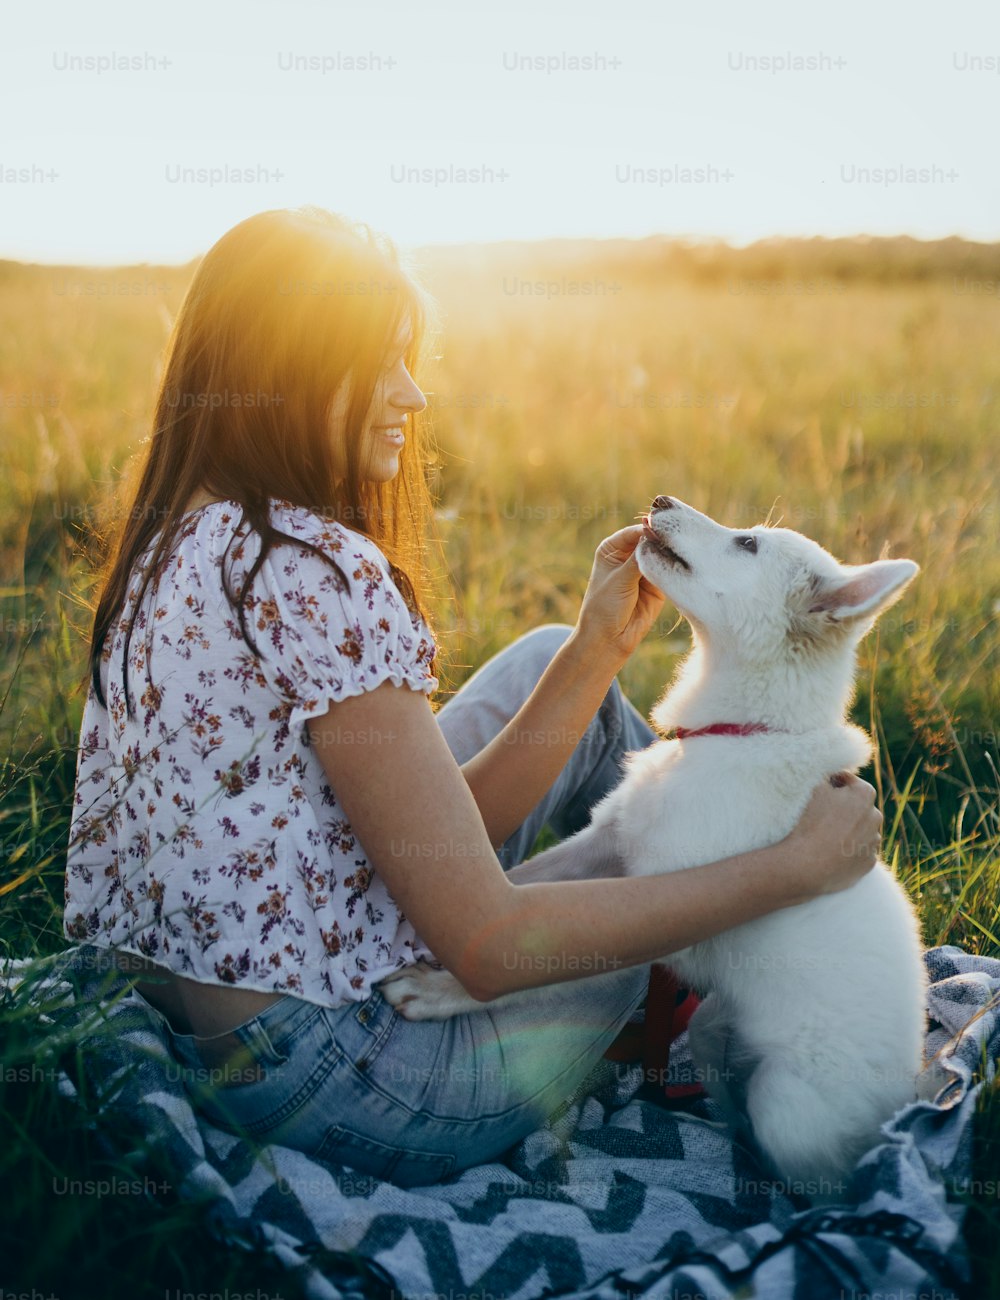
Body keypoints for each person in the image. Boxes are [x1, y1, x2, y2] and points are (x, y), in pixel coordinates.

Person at [63, 206, 882, 1188]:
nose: (411, 393)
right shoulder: (313, 569)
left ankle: (692, 937)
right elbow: (488, 946)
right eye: (381, 361)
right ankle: (719, 963)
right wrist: (794, 869)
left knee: (548, 660)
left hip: (240, 1025)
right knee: (645, 870)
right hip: (361, 1077)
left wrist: (591, 653)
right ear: (284, 370)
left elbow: (424, 836)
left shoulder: (173, 549)